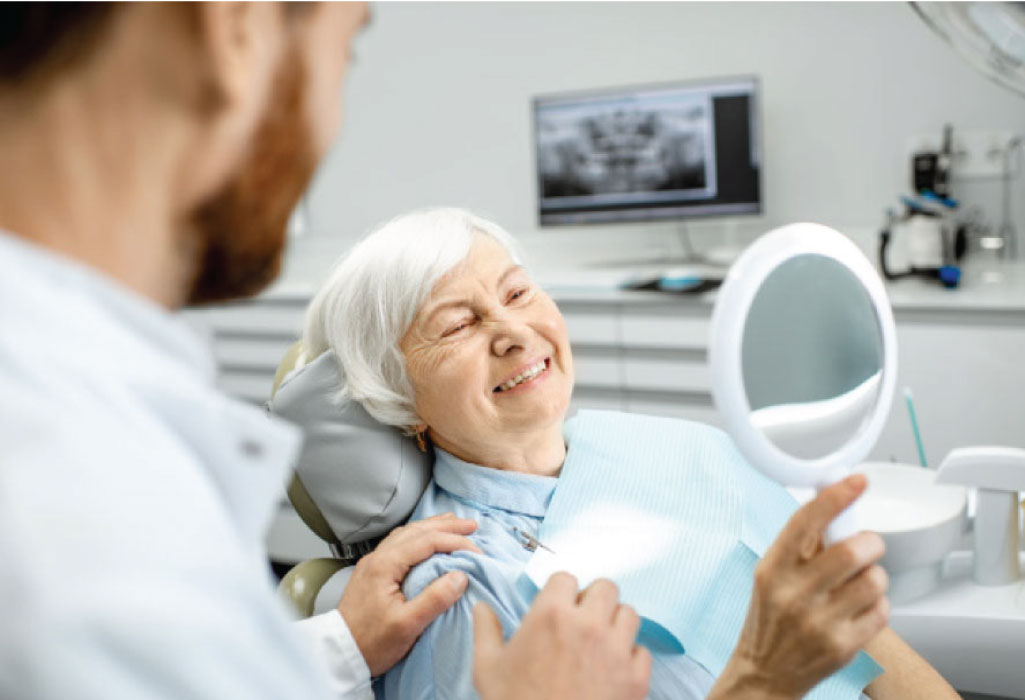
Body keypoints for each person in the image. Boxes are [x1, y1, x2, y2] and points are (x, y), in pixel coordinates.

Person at [0, 4, 648, 700]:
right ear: (234, 27)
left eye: (517, 294)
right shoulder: (69, 501)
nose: (330, 121)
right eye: (347, 49)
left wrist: (338, 645)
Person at [300, 207, 963, 700]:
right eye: (457, 325)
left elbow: (865, 641)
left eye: (516, 292)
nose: (512, 332)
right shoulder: (452, 590)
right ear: (401, 401)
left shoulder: (673, 445)